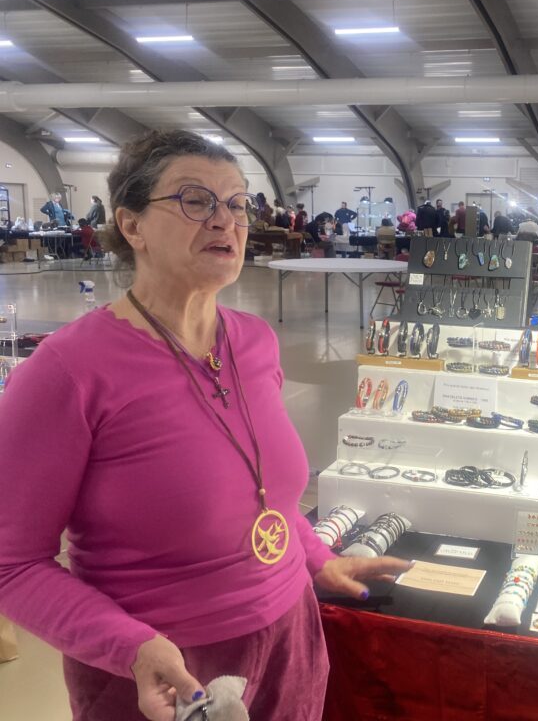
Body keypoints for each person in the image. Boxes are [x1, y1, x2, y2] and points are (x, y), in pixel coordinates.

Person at [0, 130, 408, 720]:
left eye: (238, 203)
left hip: (291, 642)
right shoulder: (67, 370)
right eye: (195, 200)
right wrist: (131, 648)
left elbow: (265, 495)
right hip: (164, 674)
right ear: (132, 225)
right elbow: (11, 564)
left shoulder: (256, 343)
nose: (225, 221)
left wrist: (318, 560)